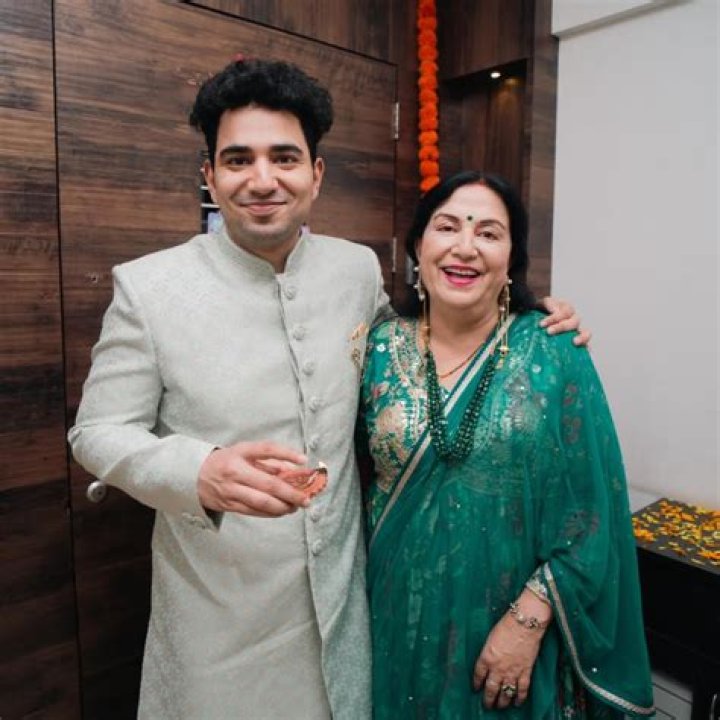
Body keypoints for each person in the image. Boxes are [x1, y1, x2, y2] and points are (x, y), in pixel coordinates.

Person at [68, 59, 588, 720]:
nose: (262, 180)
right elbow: (96, 432)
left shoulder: (354, 268)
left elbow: (417, 350)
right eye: (237, 160)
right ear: (209, 176)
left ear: (315, 174)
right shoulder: (150, 288)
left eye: (284, 158)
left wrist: (531, 321)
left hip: (348, 612)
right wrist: (197, 471)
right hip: (220, 618)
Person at [358, 171, 654, 720]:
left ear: (512, 257)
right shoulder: (374, 347)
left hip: (511, 629)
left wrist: (527, 622)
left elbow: (592, 511)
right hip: (395, 621)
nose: (465, 247)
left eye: (489, 233)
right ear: (418, 245)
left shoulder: (554, 350)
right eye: (447, 226)